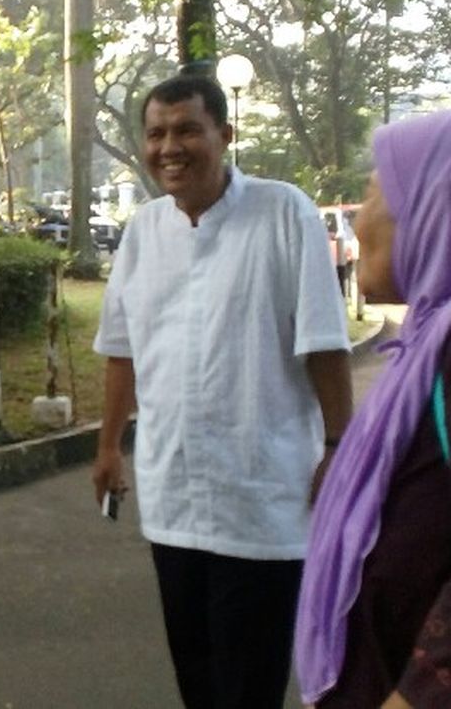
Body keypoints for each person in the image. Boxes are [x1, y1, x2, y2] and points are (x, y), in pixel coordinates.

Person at [91, 73, 353, 709]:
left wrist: (342, 446)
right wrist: (107, 448)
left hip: (260, 498)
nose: (168, 147)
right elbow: (123, 349)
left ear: (225, 136)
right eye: (156, 133)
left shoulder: (282, 211)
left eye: (187, 130)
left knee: (248, 685)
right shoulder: (144, 232)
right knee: (198, 677)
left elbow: (322, 341)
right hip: (172, 496)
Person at [295, 110, 451, 709]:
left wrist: (416, 692)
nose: (359, 216)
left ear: (432, 206)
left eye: (374, 189)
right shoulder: (425, 348)